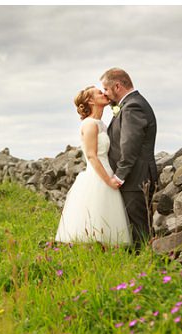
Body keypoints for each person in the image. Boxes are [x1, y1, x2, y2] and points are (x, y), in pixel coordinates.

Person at [55, 86, 132, 246]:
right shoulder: (90, 124)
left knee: (108, 217)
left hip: (108, 172)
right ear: (90, 101)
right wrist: (108, 181)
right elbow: (91, 155)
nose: (104, 93)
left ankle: (106, 255)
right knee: (95, 218)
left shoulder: (102, 124)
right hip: (98, 176)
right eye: (99, 93)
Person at [101, 68, 158, 252]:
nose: (105, 94)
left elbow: (130, 145)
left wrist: (120, 175)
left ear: (117, 86)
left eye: (106, 89)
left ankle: (147, 271)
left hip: (135, 178)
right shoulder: (131, 104)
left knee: (140, 230)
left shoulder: (133, 106)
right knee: (133, 228)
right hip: (134, 178)